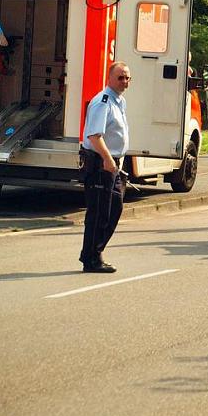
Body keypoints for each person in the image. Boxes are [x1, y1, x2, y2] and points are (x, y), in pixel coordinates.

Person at [78, 62, 131, 273]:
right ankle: (91, 258)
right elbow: (94, 135)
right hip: (101, 163)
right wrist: (108, 160)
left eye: (127, 78)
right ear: (109, 78)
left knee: (114, 208)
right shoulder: (103, 101)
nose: (124, 81)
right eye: (120, 77)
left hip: (112, 164)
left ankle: (93, 252)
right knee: (99, 212)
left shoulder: (120, 101)